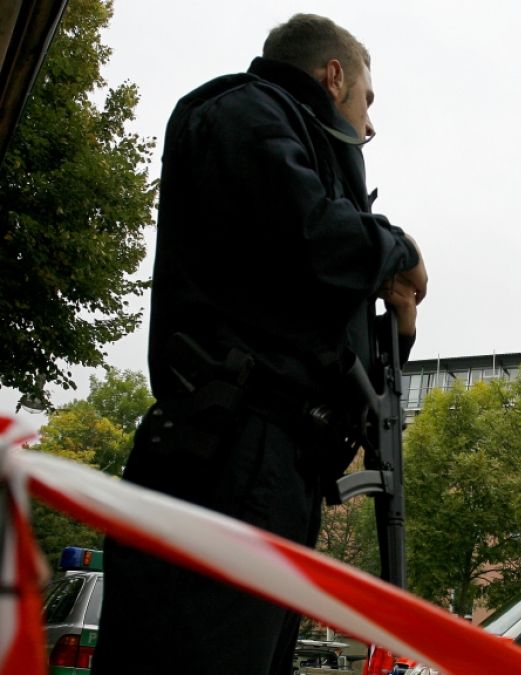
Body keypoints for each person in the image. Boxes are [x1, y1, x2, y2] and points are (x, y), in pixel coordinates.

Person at [91, 14, 426, 675]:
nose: (370, 126)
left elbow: (322, 337)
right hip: (231, 452)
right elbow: (310, 236)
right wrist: (398, 250)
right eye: (366, 100)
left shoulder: (298, 152)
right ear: (333, 76)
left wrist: (400, 327)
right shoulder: (244, 111)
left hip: (277, 469)